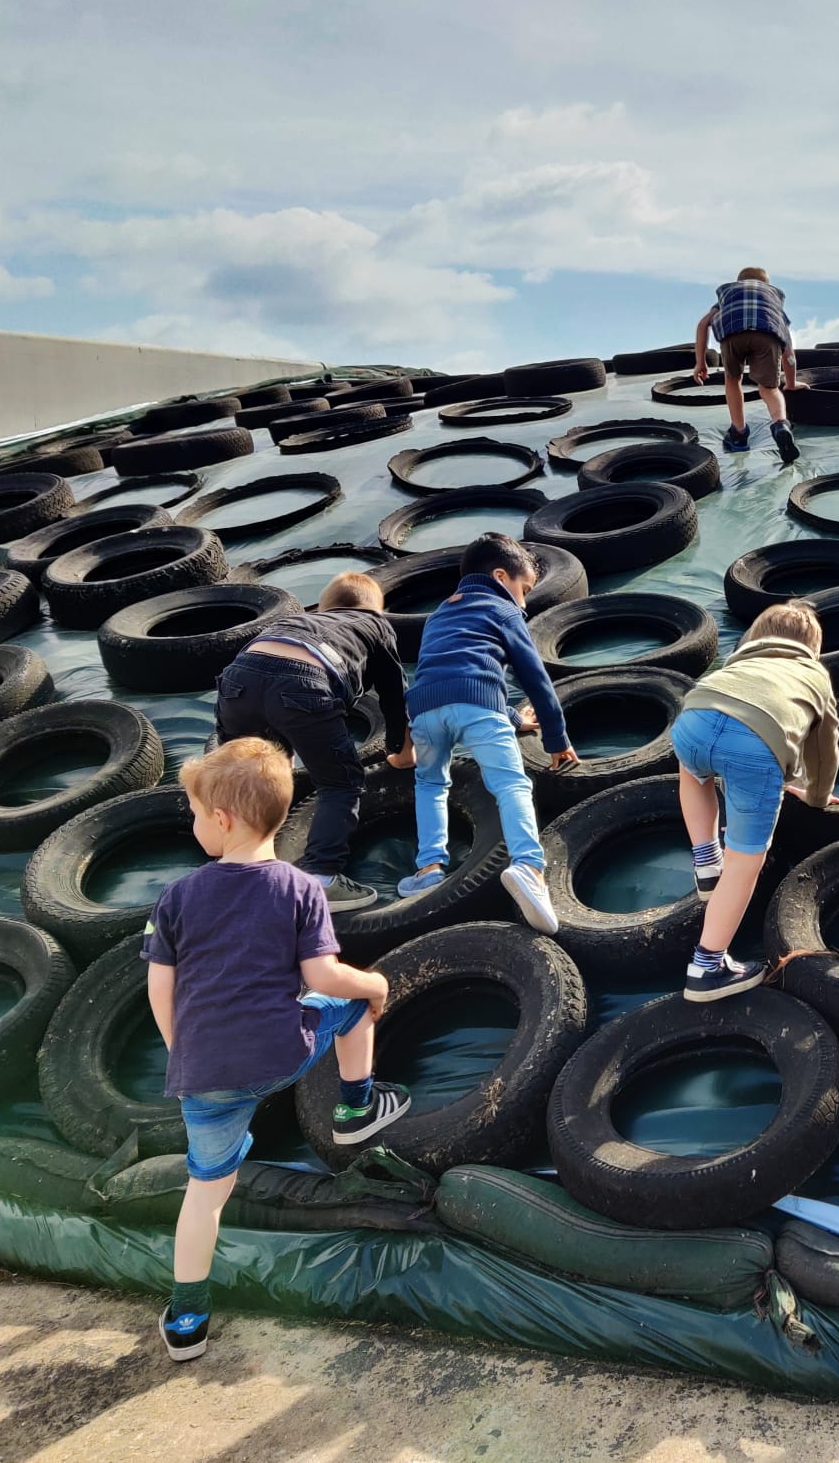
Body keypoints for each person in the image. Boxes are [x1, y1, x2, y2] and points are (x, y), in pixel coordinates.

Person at [145, 737, 410, 1362]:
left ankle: (187, 1321)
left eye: (193, 811)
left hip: (202, 1075)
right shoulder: (298, 887)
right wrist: (374, 985)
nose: (192, 822)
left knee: (204, 1194)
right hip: (278, 1055)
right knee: (352, 1010)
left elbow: (161, 987)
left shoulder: (177, 896)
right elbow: (322, 978)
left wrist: (184, 1051)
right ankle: (354, 1109)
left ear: (222, 819)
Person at [398, 533, 577, 935]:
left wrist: (512, 718)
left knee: (429, 783)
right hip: (477, 706)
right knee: (511, 784)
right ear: (500, 576)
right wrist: (556, 737)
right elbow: (535, 677)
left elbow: (456, 670)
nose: (525, 601)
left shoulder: (441, 612)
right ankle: (529, 867)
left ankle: (428, 867)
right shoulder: (503, 609)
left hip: (423, 709)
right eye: (524, 589)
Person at [212, 571, 412, 912]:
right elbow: (394, 697)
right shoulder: (375, 626)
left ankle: (234, 862)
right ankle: (322, 876)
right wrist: (400, 751)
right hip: (304, 684)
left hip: (238, 679)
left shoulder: (298, 621)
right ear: (376, 608)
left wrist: (280, 761)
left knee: (240, 774)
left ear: (324, 606)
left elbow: (268, 679)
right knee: (340, 784)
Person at [673, 600, 839, 1001]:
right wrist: (816, 796)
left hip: (692, 718)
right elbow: (824, 749)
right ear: (812, 648)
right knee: (746, 862)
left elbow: (725, 721)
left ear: (755, 637)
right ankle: (708, 966)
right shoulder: (814, 674)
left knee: (693, 772)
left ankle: (705, 860)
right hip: (755, 746)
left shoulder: (738, 661)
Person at [693, 266, 801, 463]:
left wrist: (701, 363)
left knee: (733, 381)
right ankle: (780, 425)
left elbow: (702, 325)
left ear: (738, 281)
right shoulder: (772, 300)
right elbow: (789, 352)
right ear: (766, 284)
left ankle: (739, 434)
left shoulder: (728, 296)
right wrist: (792, 383)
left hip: (732, 334)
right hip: (766, 335)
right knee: (770, 389)